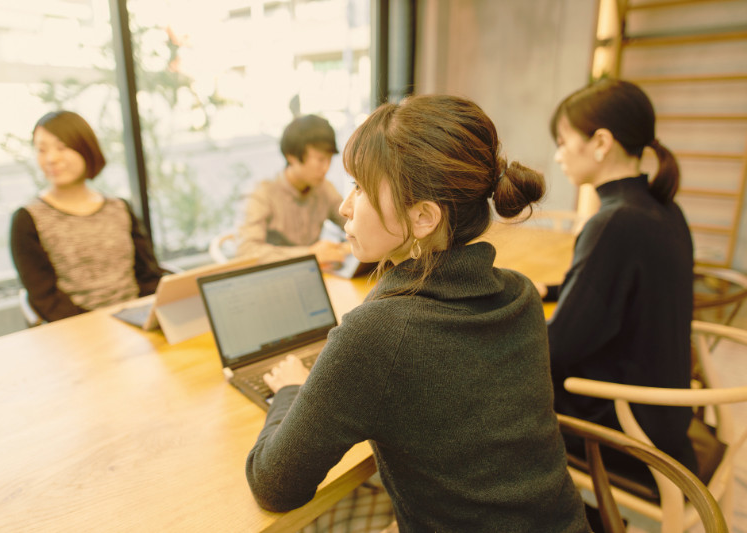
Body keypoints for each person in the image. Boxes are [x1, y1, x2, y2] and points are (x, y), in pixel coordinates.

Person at [245, 95, 590, 532]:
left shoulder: (378, 334)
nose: (344, 207)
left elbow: (274, 485)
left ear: (424, 216)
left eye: (359, 188)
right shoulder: (521, 295)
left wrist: (292, 391)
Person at [539, 79, 697, 487]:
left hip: (630, 428)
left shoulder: (614, 222)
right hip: (665, 411)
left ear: (601, 142)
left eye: (562, 141)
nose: (558, 156)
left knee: (493, 386)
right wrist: (552, 292)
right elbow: (632, 289)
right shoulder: (662, 207)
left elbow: (559, 348)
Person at [10, 110, 166, 322]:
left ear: (85, 147)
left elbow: (148, 275)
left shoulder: (119, 208)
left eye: (61, 147)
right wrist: (101, 325)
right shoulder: (27, 219)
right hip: (76, 331)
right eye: (41, 150)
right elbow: (46, 299)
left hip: (137, 320)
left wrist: (152, 316)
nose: (51, 158)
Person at [236, 114, 350, 265]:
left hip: (316, 274)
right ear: (291, 156)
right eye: (320, 159)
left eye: (329, 159)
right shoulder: (262, 193)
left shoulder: (325, 188)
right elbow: (246, 251)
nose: (326, 168)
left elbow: (351, 223)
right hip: (275, 279)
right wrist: (309, 254)